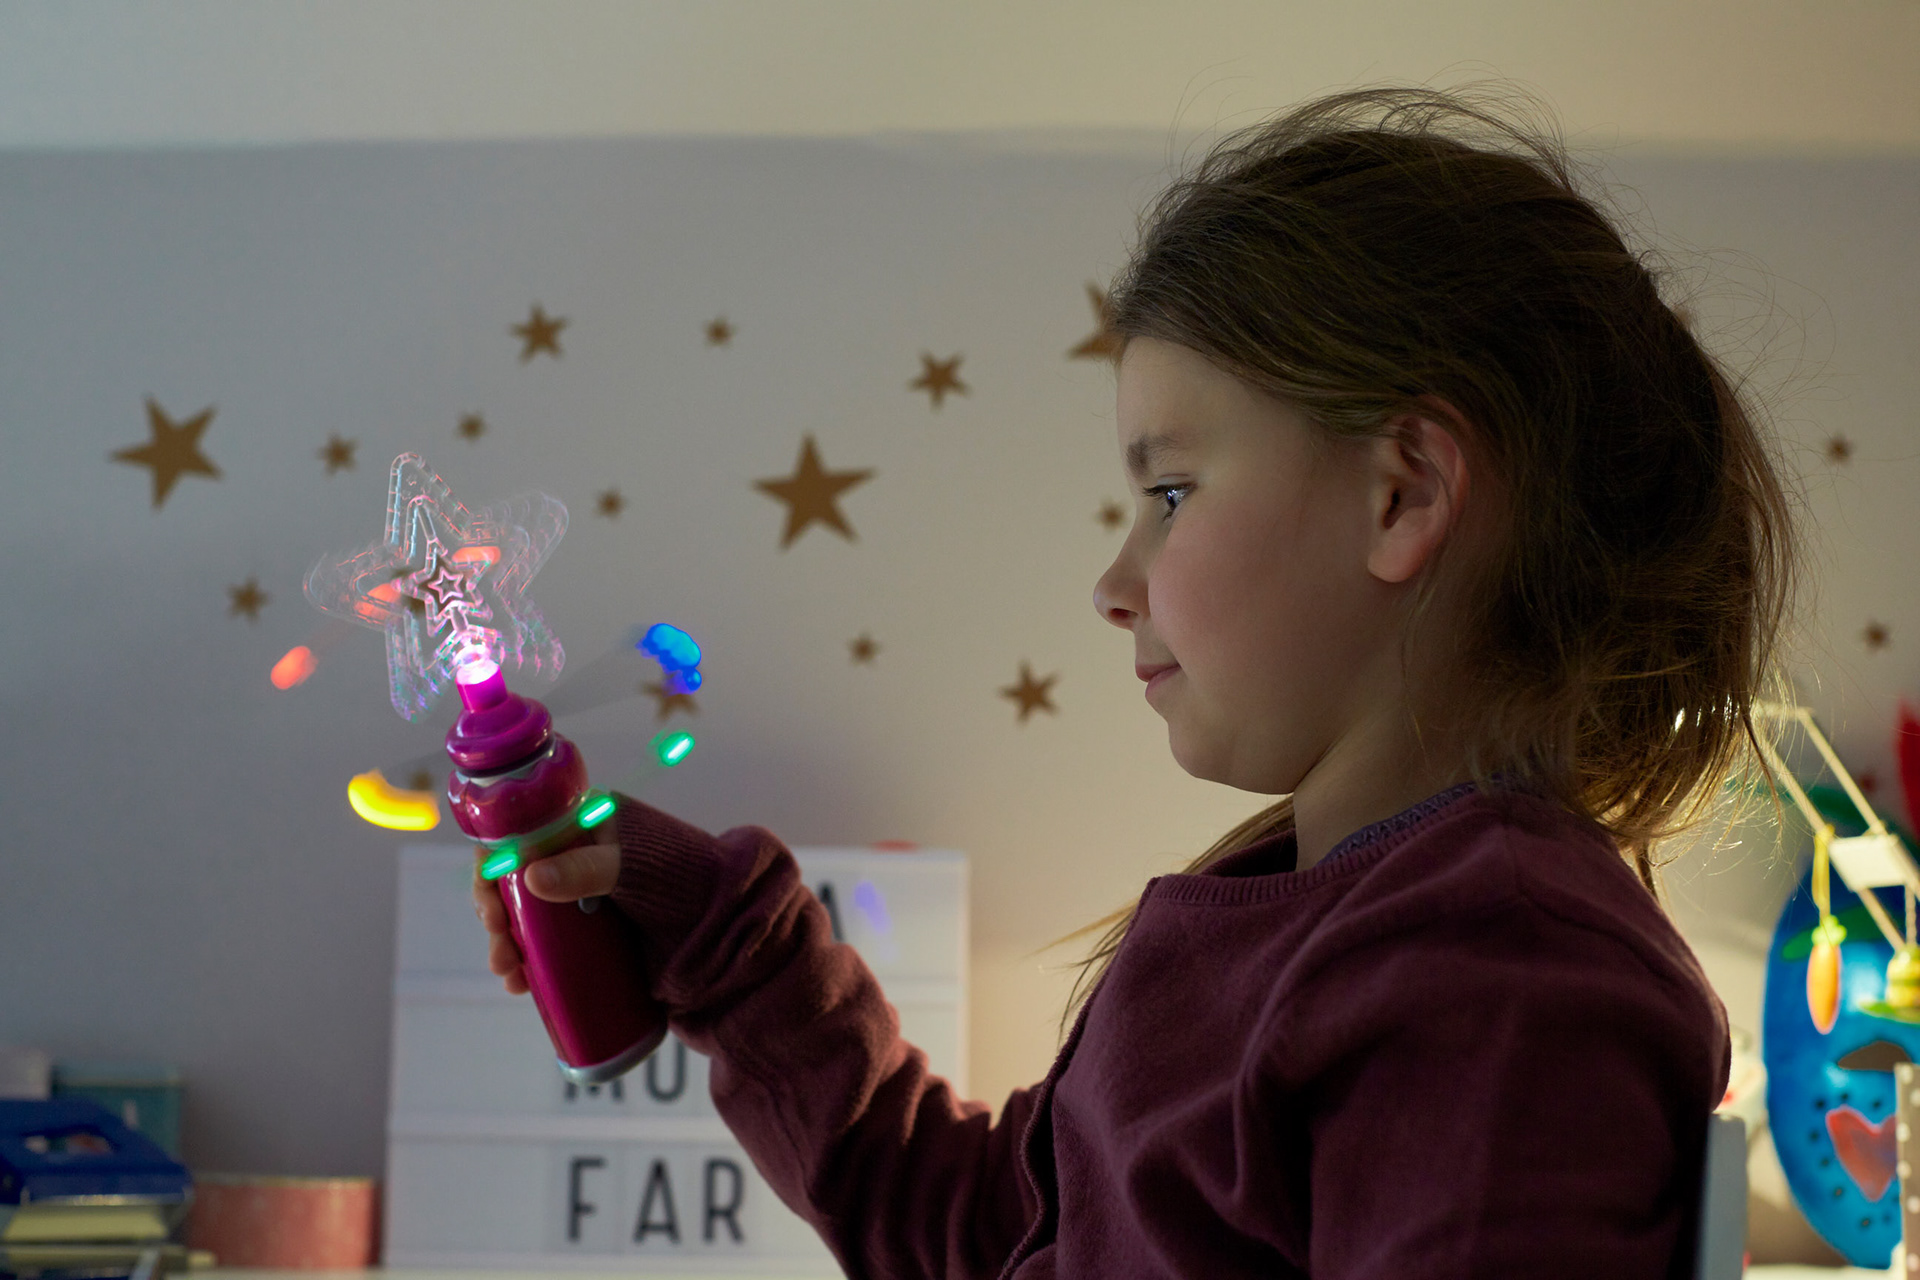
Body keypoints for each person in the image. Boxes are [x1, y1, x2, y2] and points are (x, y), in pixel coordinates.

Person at [474, 86, 1795, 1278]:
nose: (1115, 584)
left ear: (1402, 495)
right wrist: (726, 939)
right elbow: (974, 1235)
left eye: (1169, 492)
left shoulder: (1502, 984)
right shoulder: (1304, 921)